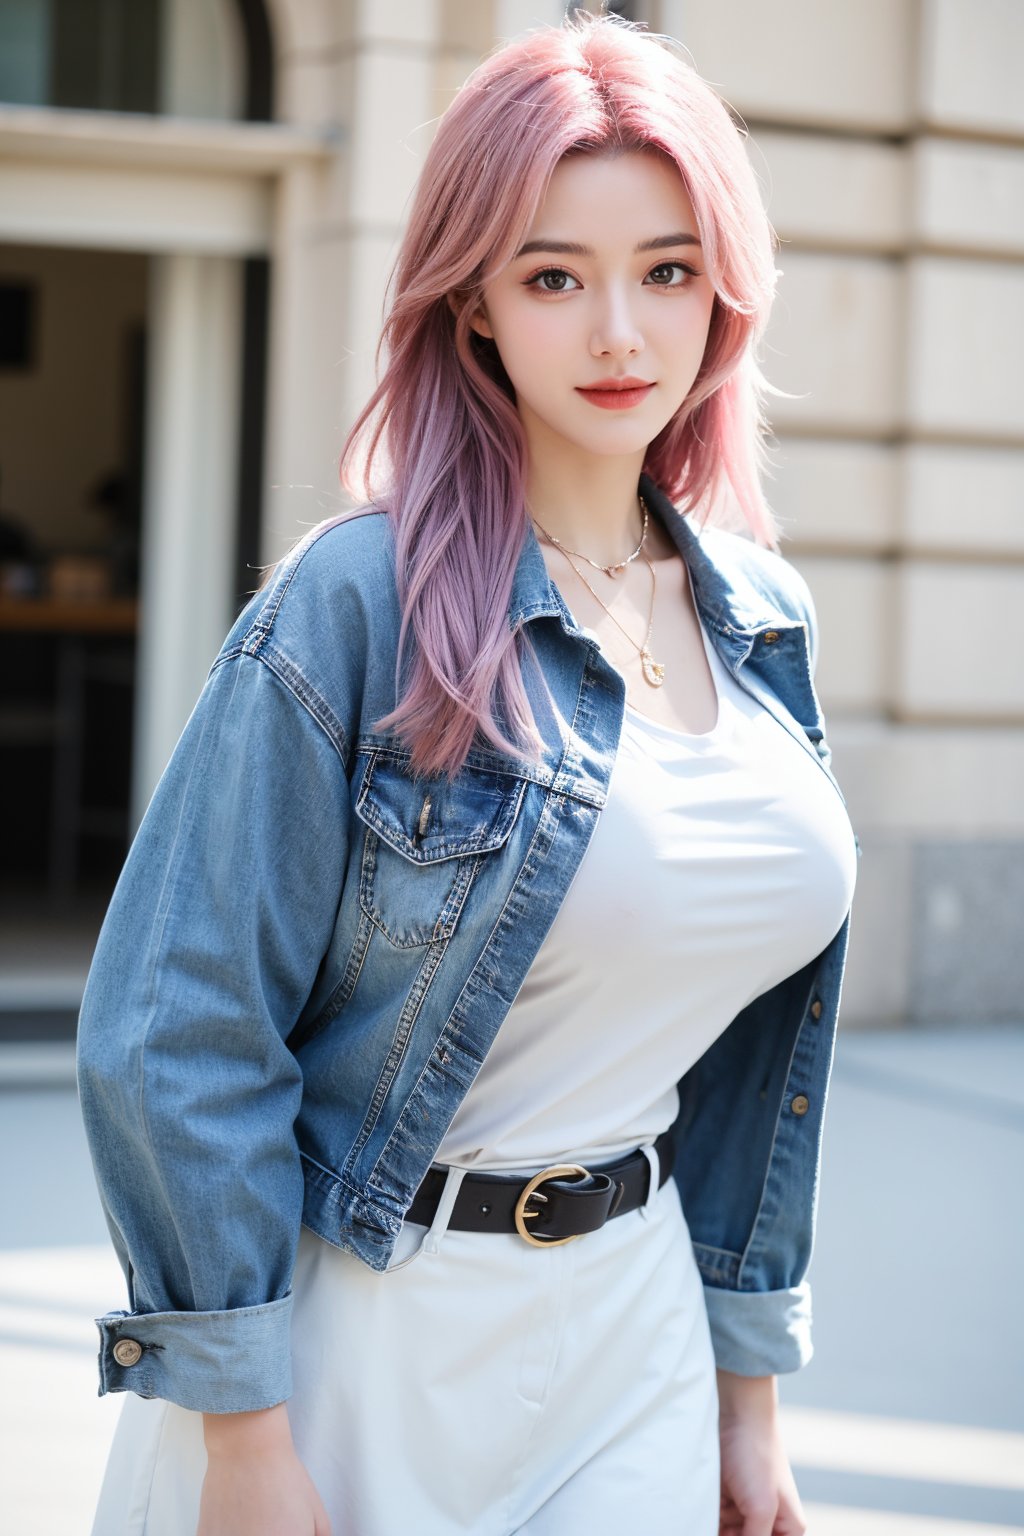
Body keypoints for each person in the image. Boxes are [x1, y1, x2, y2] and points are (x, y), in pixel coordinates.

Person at [78, 13, 860, 1536]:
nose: (622, 333)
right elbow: (174, 1023)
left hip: (635, 1337)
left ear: (726, 292)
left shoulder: (762, 620)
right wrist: (243, 1434)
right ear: (478, 308)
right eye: (555, 276)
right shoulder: (356, 606)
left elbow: (762, 1056)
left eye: (668, 270)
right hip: (367, 1347)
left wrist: (745, 1393)